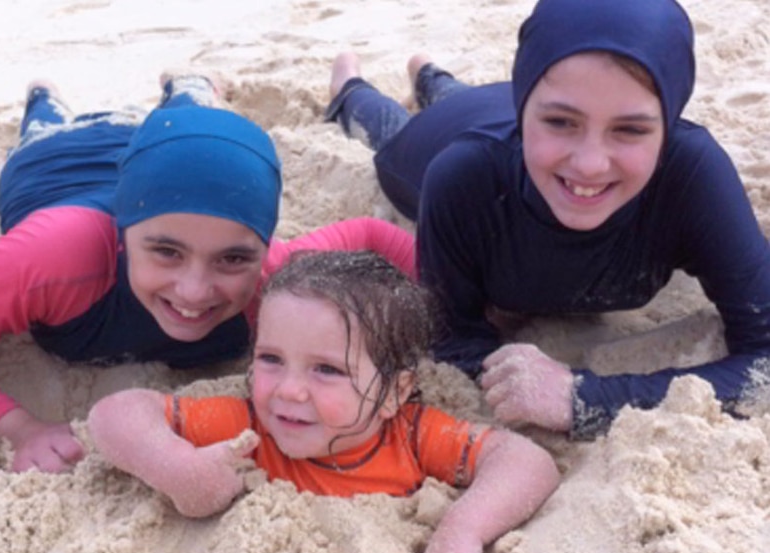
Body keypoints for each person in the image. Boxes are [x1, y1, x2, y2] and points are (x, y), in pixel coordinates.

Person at [0, 73, 416, 473]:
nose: (194, 291)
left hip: (172, 156)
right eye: (166, 253)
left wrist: (458, 313)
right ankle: (45, 92)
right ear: (123, 237)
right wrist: (19, 427)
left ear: (262, 251)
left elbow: (372, 236)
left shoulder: (275, 277)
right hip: (56, 159)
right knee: (44, 118)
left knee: (193, 115)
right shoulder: (56, 260)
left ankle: (189, 86)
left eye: (233, 259)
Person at [324, 0, 770, 439]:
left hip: (519, 98)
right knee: (388, 129)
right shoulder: (462, 180)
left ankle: (433, 75)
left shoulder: (693, 173)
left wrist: (584, 399)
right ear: (528, 111)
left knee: (471, 97)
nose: (591, 165)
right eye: (560, 122)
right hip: (444, 134)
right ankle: (352, 83)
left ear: (669, 124)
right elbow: (454, 344)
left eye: (631, 129)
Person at [88, 250, 559, 553]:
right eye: (271, 359)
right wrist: (178, 469)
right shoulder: (251, 426)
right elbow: (116, 412)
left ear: (395, 393)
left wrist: (462, 529)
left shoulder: (410, 435)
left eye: (327, 370)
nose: (289, 390)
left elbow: (526, 461)